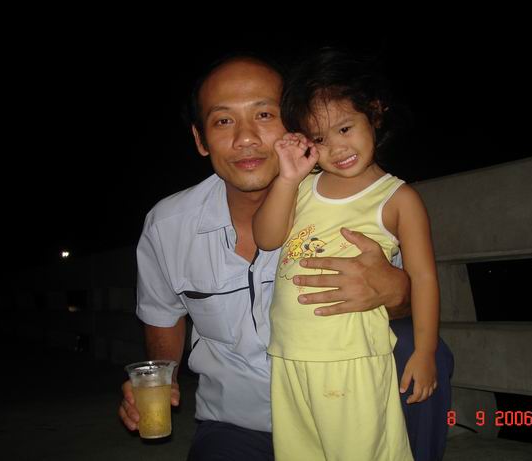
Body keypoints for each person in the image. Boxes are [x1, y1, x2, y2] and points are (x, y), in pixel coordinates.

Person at [118, 51, 452, 461]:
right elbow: (162, 319)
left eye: (264, 115)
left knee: (418, 346)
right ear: (200, 140)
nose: (245, 138)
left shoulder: (352, 197)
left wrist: (394, 290)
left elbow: (409, 294)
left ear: (295, 123)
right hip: (239, 420)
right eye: (223, 121)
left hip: (350, 390)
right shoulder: (168, 227)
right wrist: (158, 379)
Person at [252, 47, 439, 460]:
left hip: (352, 357)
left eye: (345, 128)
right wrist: (287, 178)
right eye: (320, 139)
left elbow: (423, 278)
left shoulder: (398, 198)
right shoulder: (302, 185)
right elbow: (266, 238)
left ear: (374, 113)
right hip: (289, 353)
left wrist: (424, 353)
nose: (337, 148)